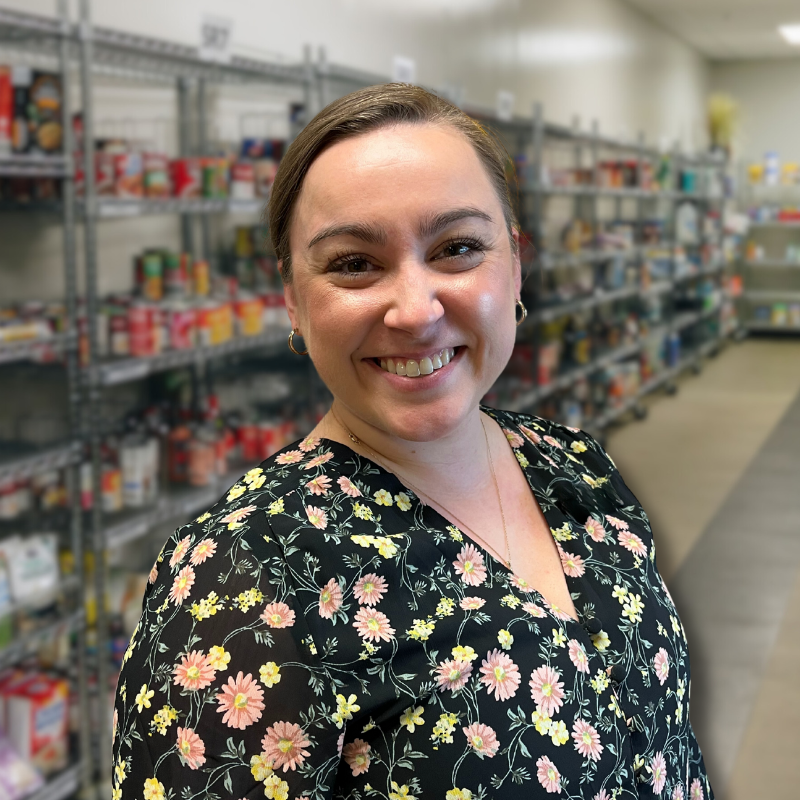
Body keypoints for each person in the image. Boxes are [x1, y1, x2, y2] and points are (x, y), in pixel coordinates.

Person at [112, 84, 713, 800]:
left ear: (514, 267)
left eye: (458, 248)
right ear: (293, 302)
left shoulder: (573, 467)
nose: (416, 310)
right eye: (354, 263)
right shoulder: (240, 585)